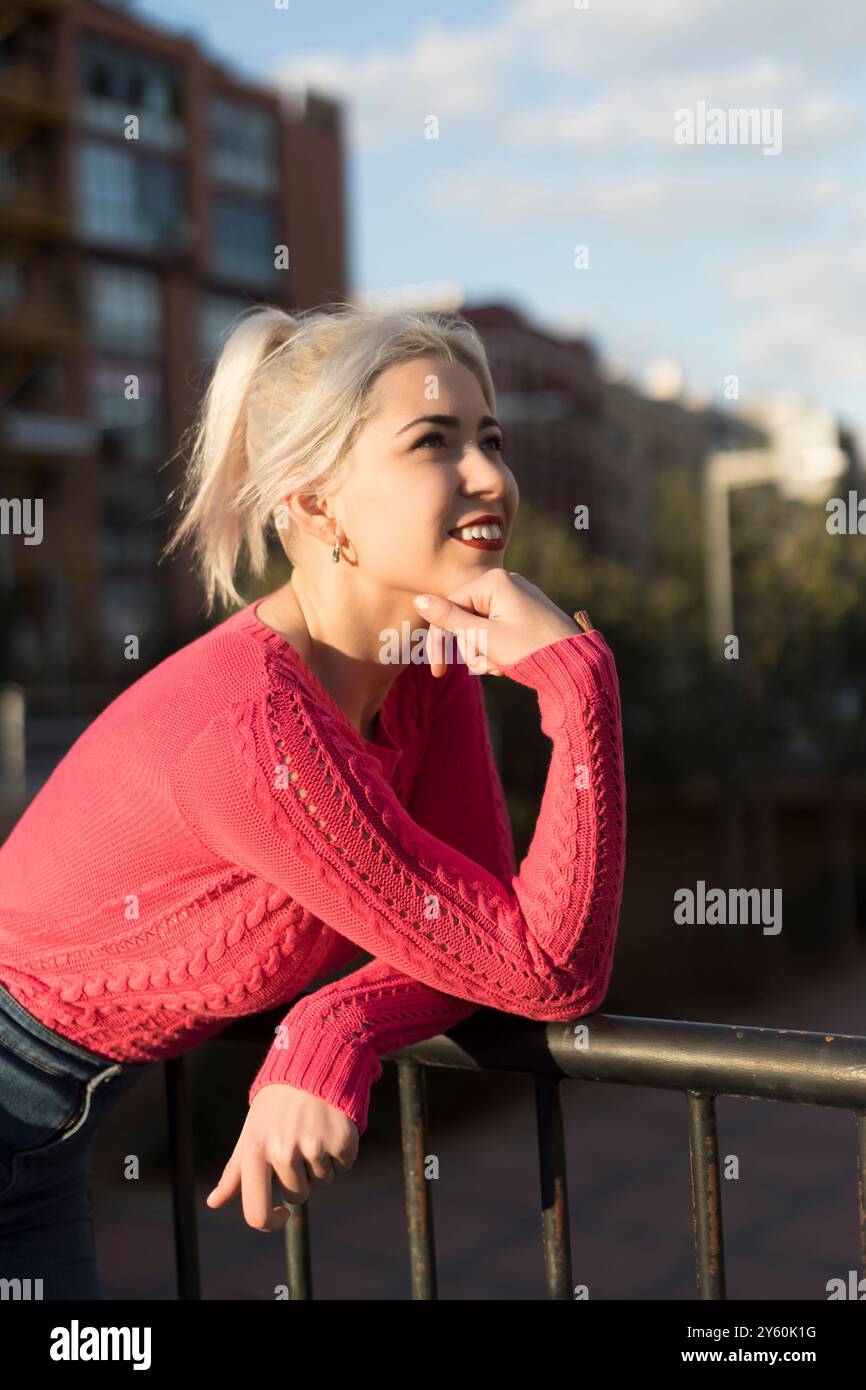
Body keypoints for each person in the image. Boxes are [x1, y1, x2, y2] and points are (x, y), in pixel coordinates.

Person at [0, 303, 626, 1297]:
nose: (489, 476)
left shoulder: (424, 668)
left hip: (45, 1129)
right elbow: (541, 967)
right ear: (315, 505)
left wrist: (332, 1027)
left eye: (490, 440)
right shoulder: (257, 734)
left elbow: (493, 940)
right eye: (433, 441)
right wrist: (575, 684)